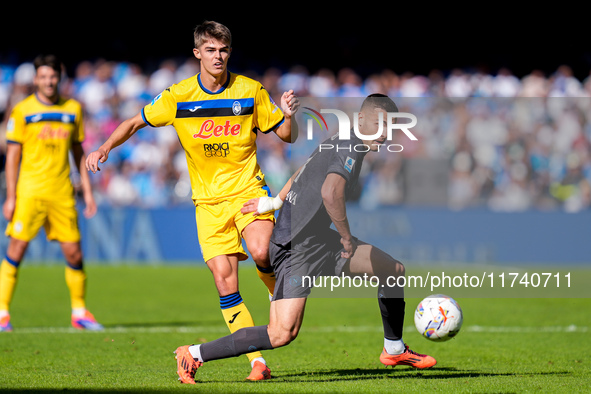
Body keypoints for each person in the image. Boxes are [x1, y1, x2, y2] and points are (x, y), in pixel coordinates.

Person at [86, 21, 299, 380]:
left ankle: (280, 304)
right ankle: (257, 362)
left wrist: (289, 116)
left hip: (248, 192)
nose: (219, 56)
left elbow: (287, 136)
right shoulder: (178, 96)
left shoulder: (250, 91)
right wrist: (105, 146)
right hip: (207, 205)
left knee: (262, 251)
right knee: (224, 283)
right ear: (198, 53)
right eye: (212, 50)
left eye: (224, 50)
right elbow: (134, 122)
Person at [172, 94, 436, 384]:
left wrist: (275, 202)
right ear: (362, 120)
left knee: (392, 270)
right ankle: (194, 353)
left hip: (318, 241)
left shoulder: (342, 139)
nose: (385, 133)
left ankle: (394, 348)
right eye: (379, 124)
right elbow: (330, 192)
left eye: (390, 127)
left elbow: (303, 169)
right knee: (281, 333)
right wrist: (346, 238)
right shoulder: (349, 145)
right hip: (296, 247)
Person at [0, 54, 102, 332]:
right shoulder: (22, 111)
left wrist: (88, 194)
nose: (48, 81)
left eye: (53, 76)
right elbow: (12, 157)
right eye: (43, 76)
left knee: (74, 254)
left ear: (60, 77)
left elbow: (79, 153)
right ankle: (2, 313)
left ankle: (79, 312)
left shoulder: (73, 109)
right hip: (30, 192)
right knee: (16, 250)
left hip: (61, 193)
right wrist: (11, 197)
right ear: (35, 79)